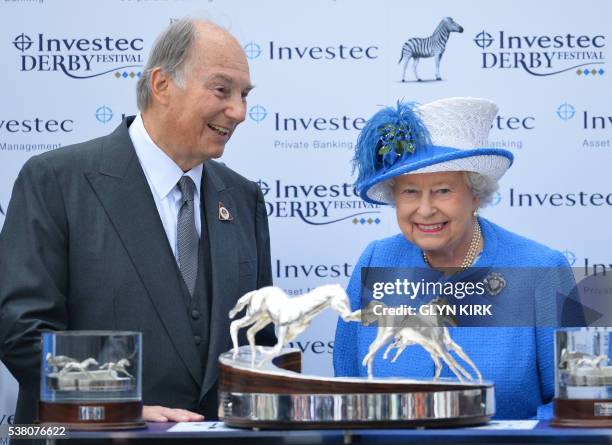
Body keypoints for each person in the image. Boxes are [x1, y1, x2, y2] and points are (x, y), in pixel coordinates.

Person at [0, 18, 274, 424]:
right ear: (162, 85)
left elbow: (258, 339)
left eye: (244, 95)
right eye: (222, 90)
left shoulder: (244, 198)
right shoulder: (56, 181)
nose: (239, 111)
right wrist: (115, 408)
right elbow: (22, 327)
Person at [333, 97, 576, 419]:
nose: (424, 209)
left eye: (443, 190)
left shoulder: (544, 268)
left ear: (476, 195)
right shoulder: (376, 259)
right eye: (409, 192)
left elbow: (576, 400)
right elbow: (347, 385)